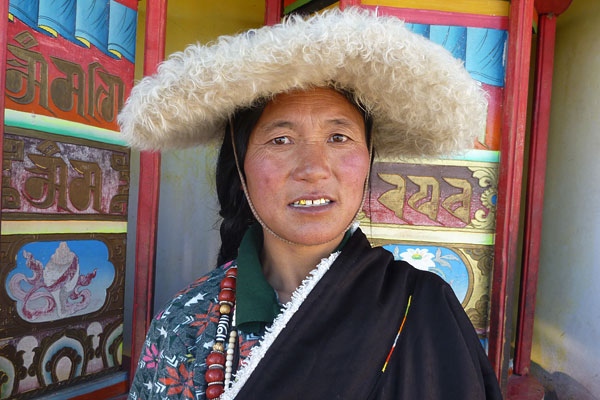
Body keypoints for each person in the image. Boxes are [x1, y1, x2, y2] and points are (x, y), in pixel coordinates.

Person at [119, 8, 502, 400]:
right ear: (239, 164)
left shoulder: (421, 306)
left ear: (368, 158)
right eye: (280, 140)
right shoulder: (187, 321)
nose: (314, 169)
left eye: (338, 137)